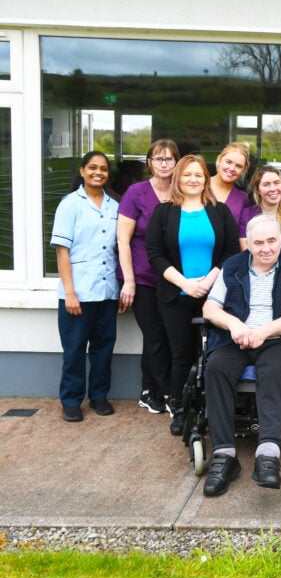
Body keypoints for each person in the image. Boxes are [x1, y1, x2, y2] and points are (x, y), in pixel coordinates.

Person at [199, 215, 281, 496]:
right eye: (258, 243)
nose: (266, 248)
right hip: (236, 338)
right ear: (248, 244)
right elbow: (209, 309)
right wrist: (235, 325)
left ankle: (268, 454)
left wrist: (264, 331)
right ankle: (225, 455)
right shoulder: (233, 265)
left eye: (272, 241)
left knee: (275, 370)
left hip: (278, 338)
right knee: (215, 368)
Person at [146, 154, 239, 435]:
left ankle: (214, 409)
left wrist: (209, 281)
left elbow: (231, 251)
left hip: (215, 297)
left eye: (198, 174)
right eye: (187, 175)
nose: (193, 179)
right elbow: (155, 254)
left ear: (205, 178)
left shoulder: (219, 211)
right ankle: (181, 409)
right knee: (181, 356)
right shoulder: (163, 212)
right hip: (175, 298)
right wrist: (185, 284)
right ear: (177, 178)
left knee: (215, 355)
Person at [51, 151, 123, 422]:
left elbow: (120, 249)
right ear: (82, 171)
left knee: (104, 347)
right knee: (74, 349)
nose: (98, 172)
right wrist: (70, 292)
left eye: (103, 169)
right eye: (92, 167)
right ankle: (71, 400)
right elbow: (62, 251)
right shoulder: (70, 204)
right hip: (78, 292)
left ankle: (99, 396)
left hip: (106, 292)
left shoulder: (114, 206)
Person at [117, 139, 178, 414]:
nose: (164, 164)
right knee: (154, 334)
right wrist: (128, 280)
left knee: (165, 335)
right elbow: (122, 238)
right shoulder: (136, 192)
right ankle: (167, 394)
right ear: (149, 163)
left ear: (177, 162)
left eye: (169, 159)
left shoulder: (180, 192)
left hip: (173, 278)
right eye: (158, 159)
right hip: (141, 276)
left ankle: (147, 390)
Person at [239, 165, 281, 250]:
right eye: (266, 185)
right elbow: (245, 250)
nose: (272, 189)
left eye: (276, 183)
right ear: (257, 190)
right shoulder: (247, 214)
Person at [209, 142, 251, 225]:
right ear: (219, 159)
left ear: (244, 169)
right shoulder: (200, 185)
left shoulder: (243, 198)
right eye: (228, 162)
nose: (232, 168)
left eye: (238, 166)